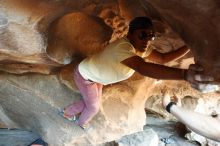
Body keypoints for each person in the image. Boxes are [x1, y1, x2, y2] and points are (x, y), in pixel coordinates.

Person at [60, 17, 218, 129]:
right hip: (85, 76)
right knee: (93, 107)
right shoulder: (123, 47)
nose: (147, 40)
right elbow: (143, 68)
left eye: (151, 36)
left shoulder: (143, 48)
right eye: (143, 35)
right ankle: (79, 123)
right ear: (130, 34)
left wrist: (189, 46)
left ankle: (67, 111)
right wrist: (184, 75)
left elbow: (163, 59)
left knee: (92, 101)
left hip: (97, 77)